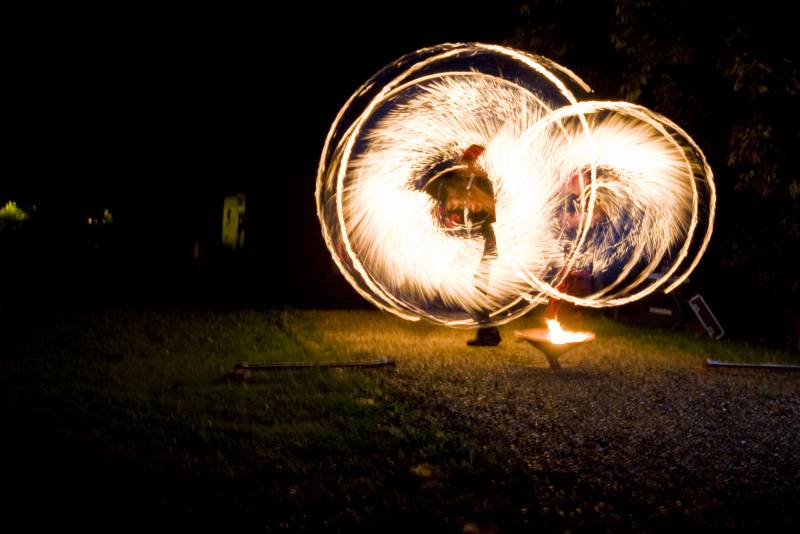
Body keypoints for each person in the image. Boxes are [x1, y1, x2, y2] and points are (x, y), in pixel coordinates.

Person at [420, 144, 502, 346]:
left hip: (482, 241)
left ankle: (489, 333)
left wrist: (462, 210)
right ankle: (488, 333)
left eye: (467, 160)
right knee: (473, 287)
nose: (463, 164)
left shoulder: (482, 183)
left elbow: (487, 214)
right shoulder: (457, 183)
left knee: (475, 288)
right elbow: (426, 184)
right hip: (473, 242)